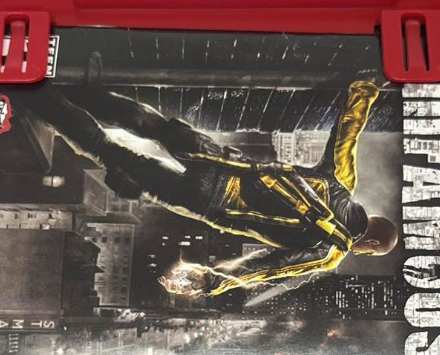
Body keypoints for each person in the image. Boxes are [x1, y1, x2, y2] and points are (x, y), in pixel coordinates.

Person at [29, 80, 399, 296]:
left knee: (150, 125)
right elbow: (267, 268)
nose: (363, 253)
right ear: (368, 244)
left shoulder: (343, 183)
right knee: (108, 152)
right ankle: (42, 98)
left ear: (373, 218)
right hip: (206, 203)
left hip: (223, 161)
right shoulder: (329, 254)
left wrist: (365, 90)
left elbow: (348, 132)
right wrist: (214, 282)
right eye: (369, 252)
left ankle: (72, 89)